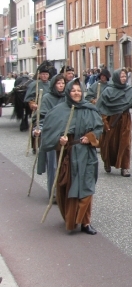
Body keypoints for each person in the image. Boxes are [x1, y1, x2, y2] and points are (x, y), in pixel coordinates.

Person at [39, 78, 103, 235]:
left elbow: (98, 128)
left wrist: (91, 136)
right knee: (69, 187)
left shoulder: (90, 109)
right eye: (73, 90)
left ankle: (85, 222)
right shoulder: (59, 111)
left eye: (79, 91)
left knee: (87, 186)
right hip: (69, 155)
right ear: (68, 92)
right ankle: (71, 218)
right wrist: (61, 141)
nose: (76, 93)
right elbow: (50, 135)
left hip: (87, 155)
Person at [96, 69, 132, 176]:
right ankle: (107, 162)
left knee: (125, 143)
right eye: (121, 77)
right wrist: (104, 122)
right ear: (116, 77)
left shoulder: (130, 90)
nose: (124, 78)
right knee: (109, 143)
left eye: (125, 76)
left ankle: (125, 167)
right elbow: (100, 107)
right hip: (110, 119)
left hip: (125, 119)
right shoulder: (108, 91)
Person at [34, 74, 67, 198]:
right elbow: (41, 118)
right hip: (51, 134)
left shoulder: (67, 98)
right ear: (54, 84)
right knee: (53, 165)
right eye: (58, 83)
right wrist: (38, 129)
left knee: (66, 163)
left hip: (65, 134)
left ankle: (64, 191)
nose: (61, 86)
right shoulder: (47, 98)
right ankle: (53, 192)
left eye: (63, 83)